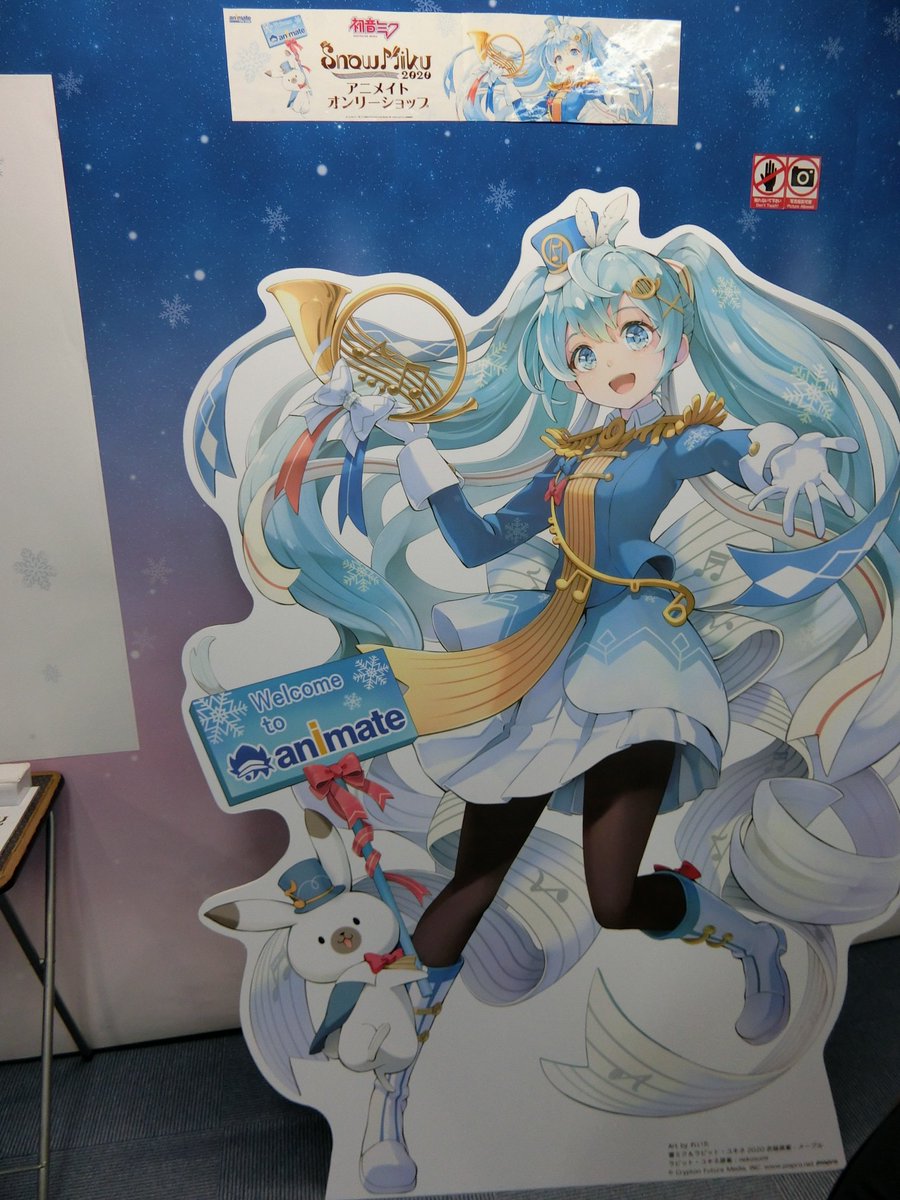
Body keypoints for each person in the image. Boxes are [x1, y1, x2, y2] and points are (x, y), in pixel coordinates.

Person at [190, 191, 900, 1193]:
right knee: (469, 886)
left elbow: (731, 450)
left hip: (644, 671)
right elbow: (479, 543)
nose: (612, 359)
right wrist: (417, 455)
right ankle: (388, 1110)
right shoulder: (565, 466)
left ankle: (747, 942)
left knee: (613, 899)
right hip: (547, 667)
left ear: (670, 332)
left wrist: (777, 452)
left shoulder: (675, 441)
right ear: (566, 368)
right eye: (584, 350)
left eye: (633, 331)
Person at [444, 17, 653, 123]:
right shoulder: (555, 92)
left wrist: (617, 97)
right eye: (558, 58)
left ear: (584, 51)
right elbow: (529, 115)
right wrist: (511, 89)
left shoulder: (588, 86)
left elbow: (607, 99)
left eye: (573, 51)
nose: (565, 61)